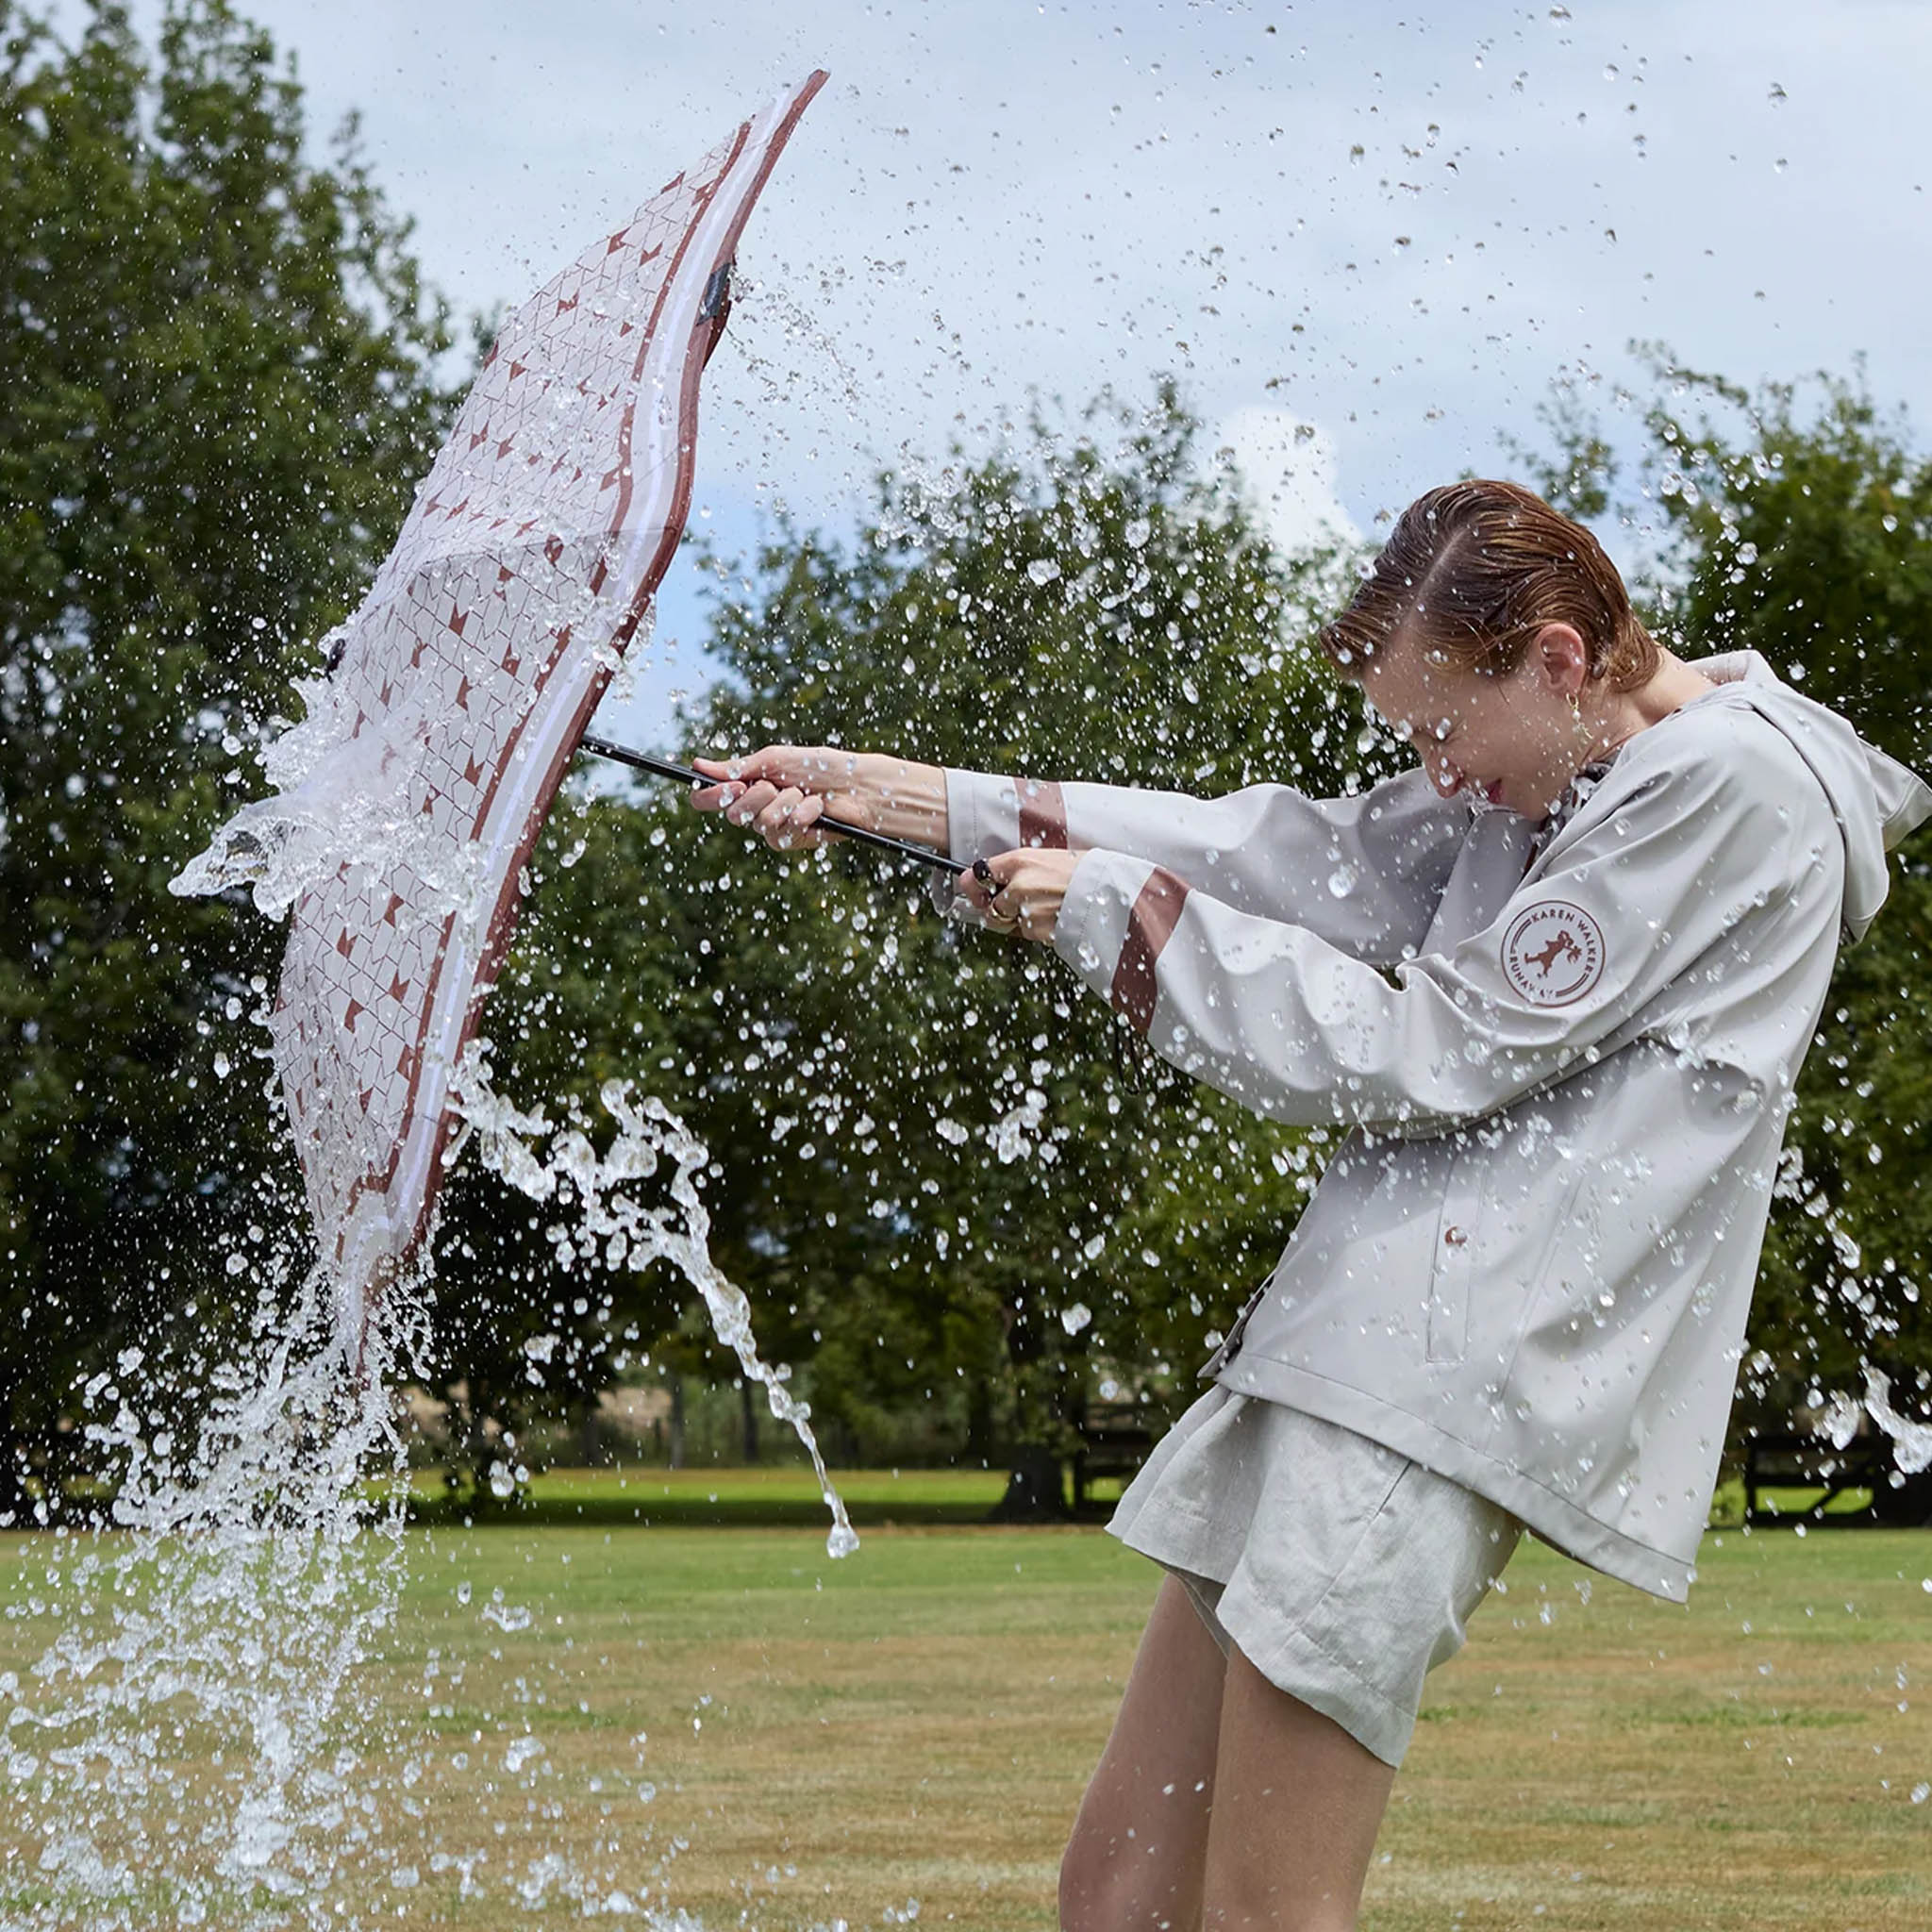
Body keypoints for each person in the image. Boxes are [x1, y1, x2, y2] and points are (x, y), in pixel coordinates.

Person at [685, 478, 1932, 1931]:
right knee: (1119, 1891)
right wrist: (891, 795)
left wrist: (1111, 912)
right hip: (1343, 1347)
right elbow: (1296, 858)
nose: (1437, 773)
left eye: (1440, 730)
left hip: (1437, 1383)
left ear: (1558, 657)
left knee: (1266, 1912)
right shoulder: (1566, 767)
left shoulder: (1733, 791)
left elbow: (1436, 1047)